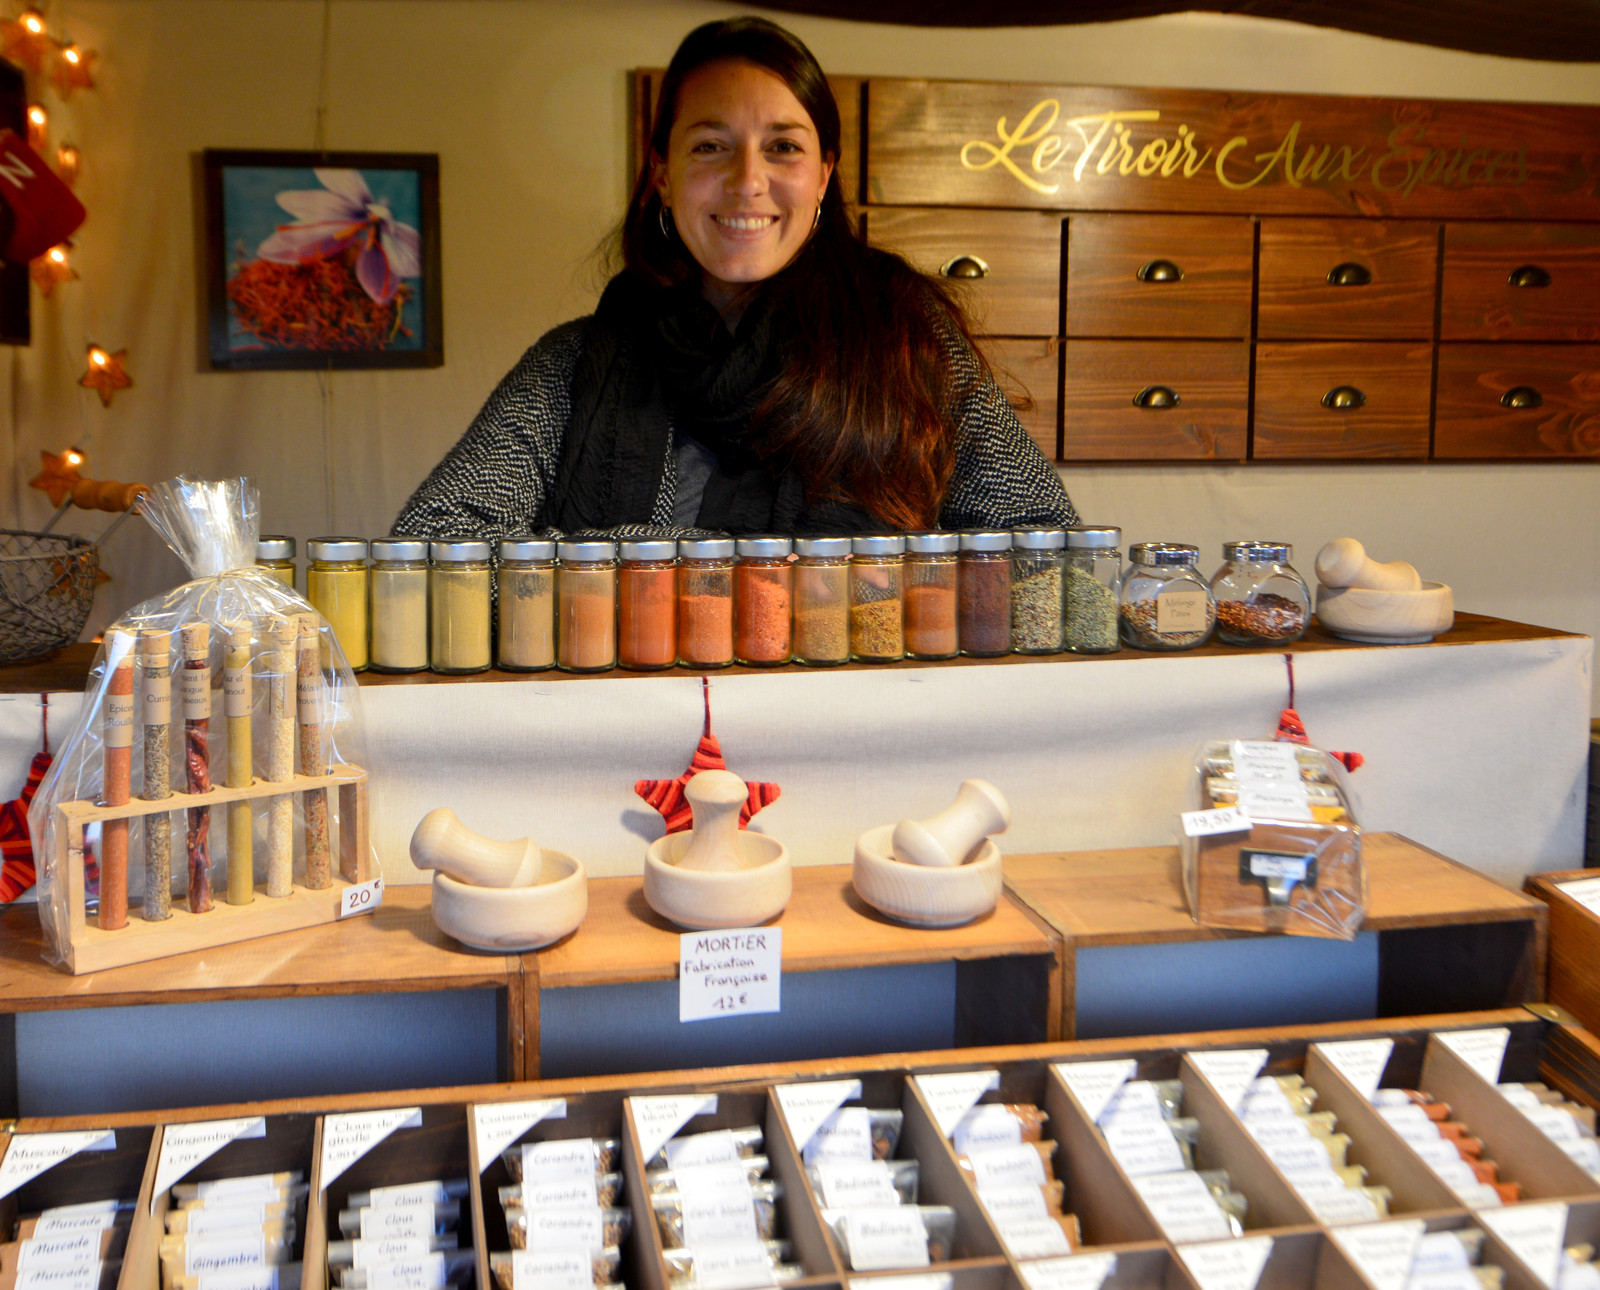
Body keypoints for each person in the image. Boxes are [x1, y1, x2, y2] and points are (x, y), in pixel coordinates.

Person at [395, 16, 1077, 539]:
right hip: (640, 728)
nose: (748, 182)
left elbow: (1041, 548)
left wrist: (603, 565)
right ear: (663, 175)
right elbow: (434, 546)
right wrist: (688, 573)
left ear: (824, 174)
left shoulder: (907, 344)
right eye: (711, 147)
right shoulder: (573, 365)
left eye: (782, 147)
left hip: (862, 721)